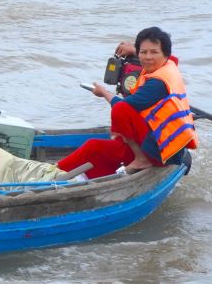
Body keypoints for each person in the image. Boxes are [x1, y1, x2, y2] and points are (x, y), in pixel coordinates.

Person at [58, 26, 198, 177]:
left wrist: (104, 92)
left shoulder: (157, 83)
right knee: (94, 147)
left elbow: (123, 106)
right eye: (143, 52)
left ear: (165, 54)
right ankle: (56, 171)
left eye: (154, 52)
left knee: (120, 110)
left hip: (162, 152)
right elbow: (166, 57)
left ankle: (141, 159)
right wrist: (134, 50)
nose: (148, 57)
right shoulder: (169, 65)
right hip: (164, 141)